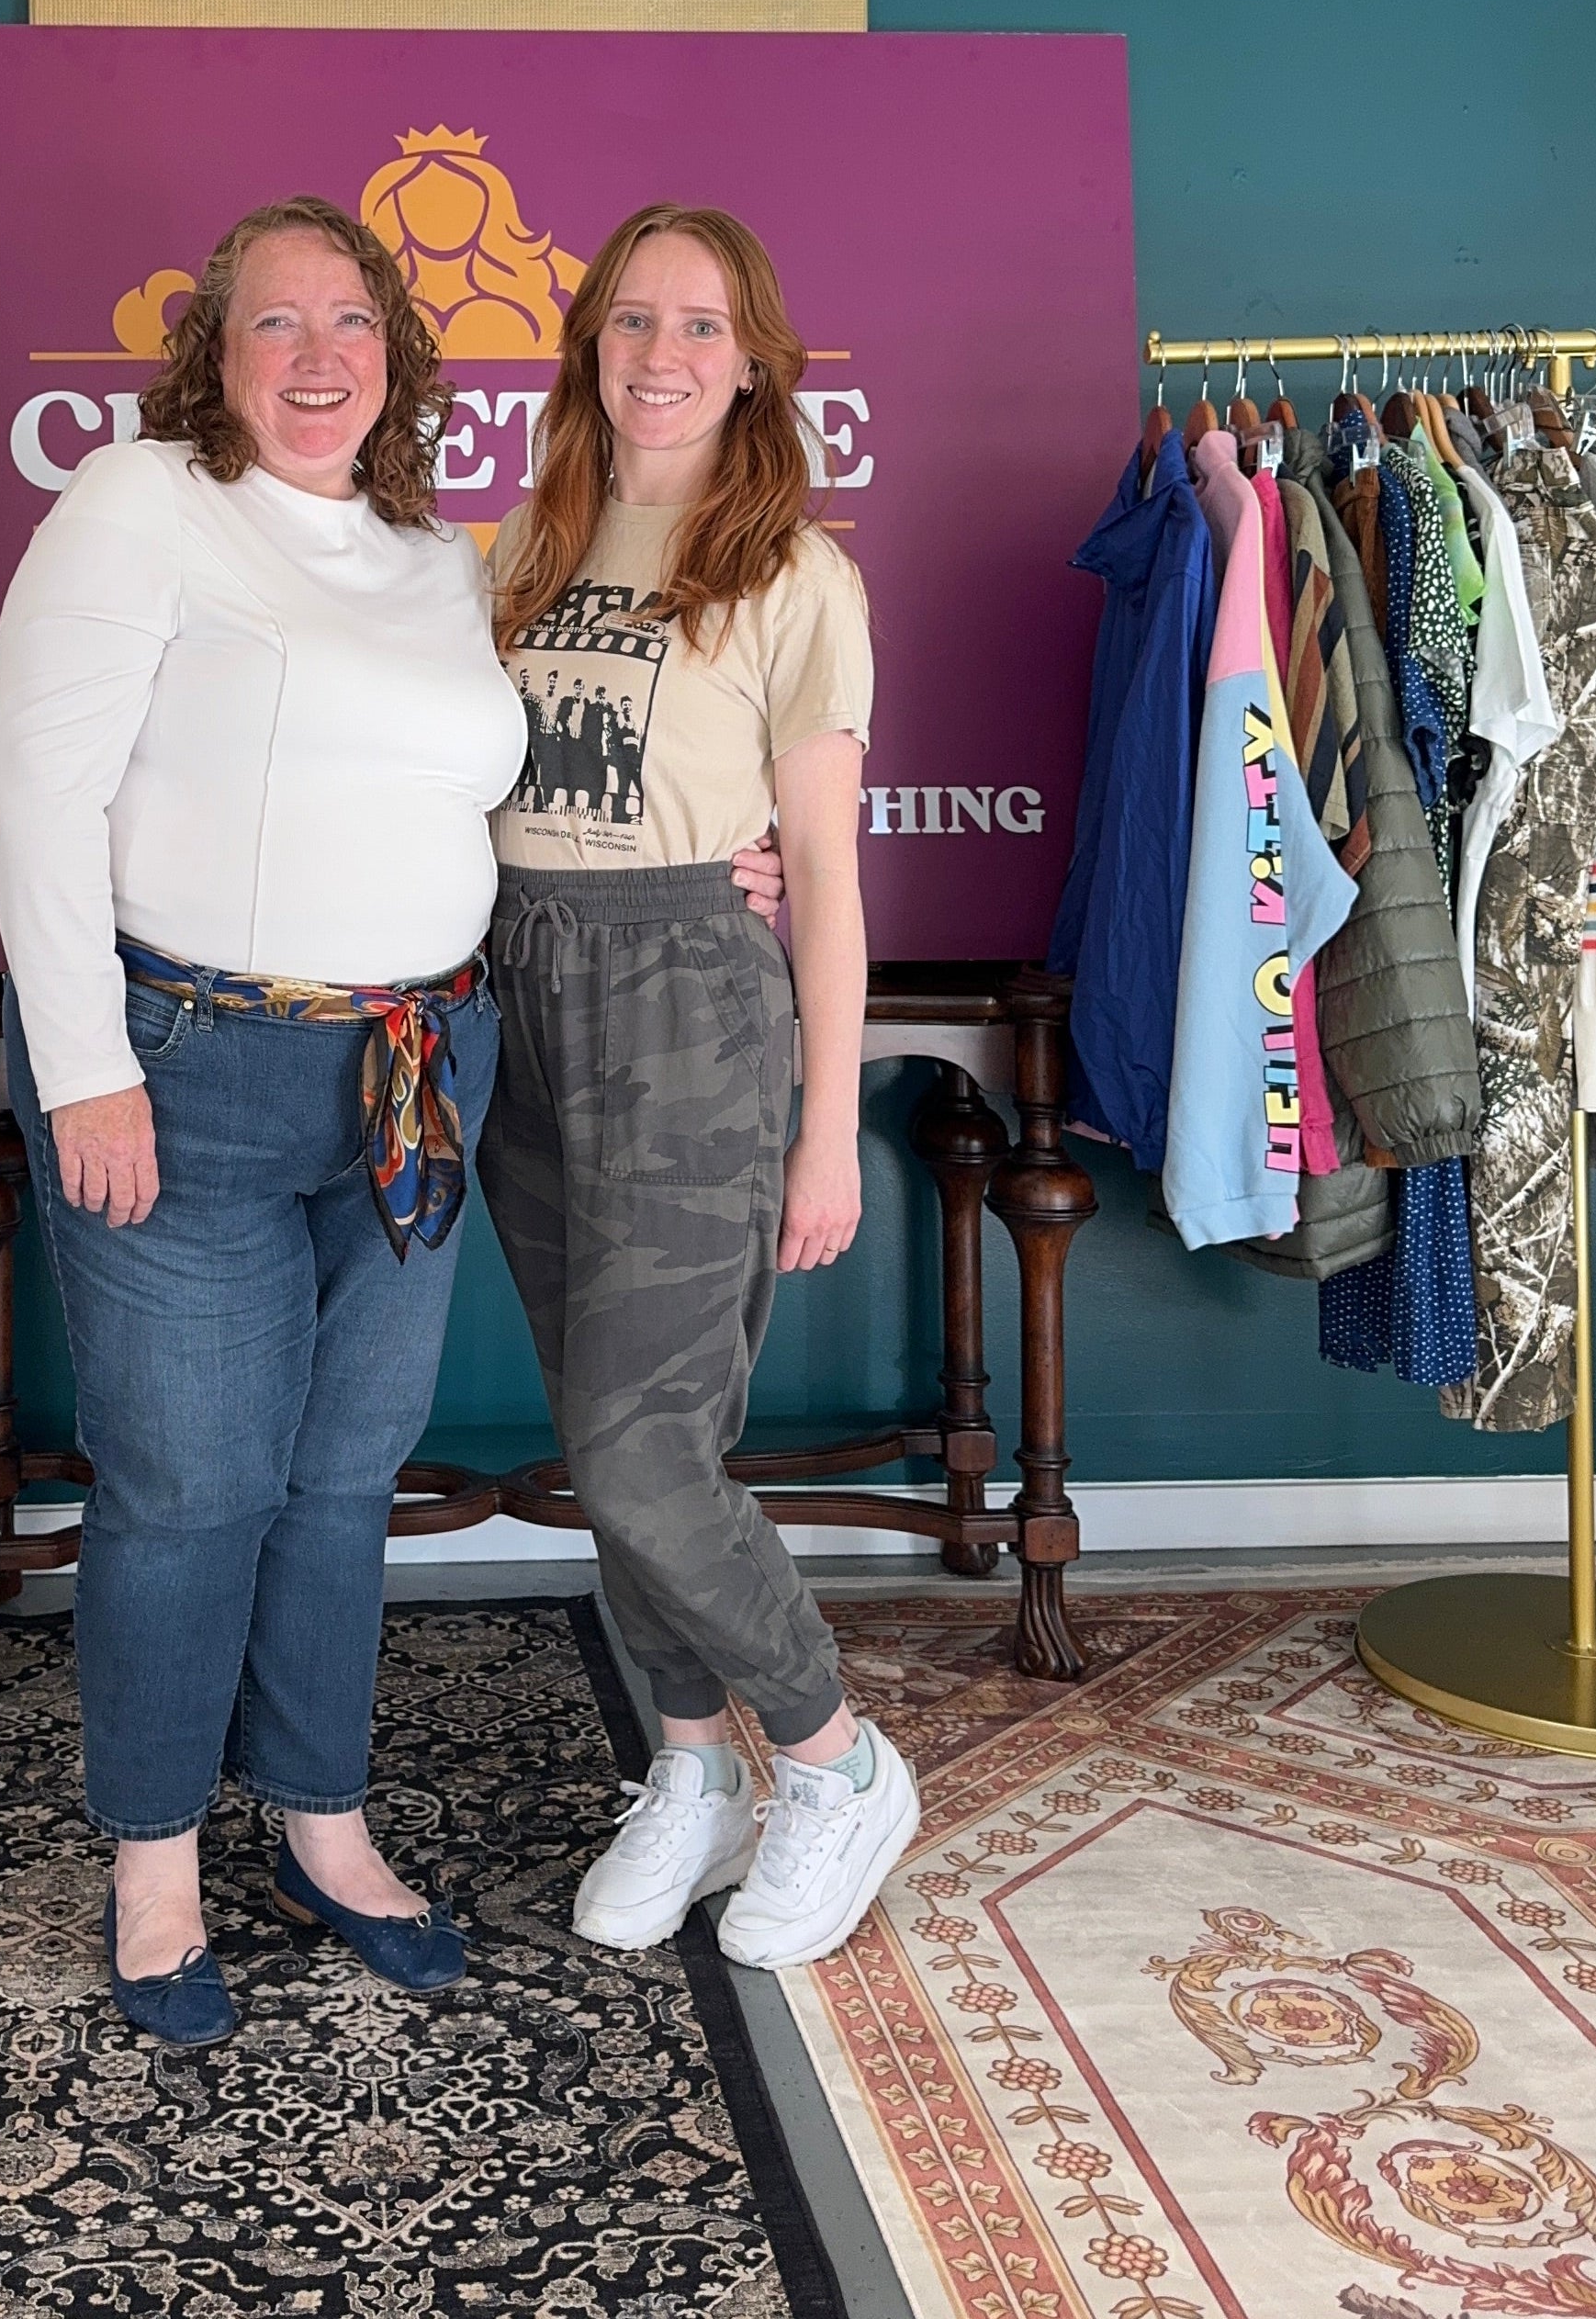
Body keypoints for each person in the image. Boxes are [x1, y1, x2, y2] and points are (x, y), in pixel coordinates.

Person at [0, 194, 788, 2044]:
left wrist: (709, 861)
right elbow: (34, 785)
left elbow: (522, 792)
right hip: (184, 1069)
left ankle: (323, 1825)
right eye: (278, 325)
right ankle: (158, 1862)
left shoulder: (444, 560)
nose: (319, 358)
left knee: (347, 1479)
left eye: (353, 325)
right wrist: (85, 1062)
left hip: (420, 1075)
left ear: (399, 361)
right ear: (217, 352)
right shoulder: (140, 507)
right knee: (192, 1486)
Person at [480, 202, 916, 1972]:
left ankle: (831, 1761)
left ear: (753, 362)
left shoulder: (794, 574)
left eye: (701, 326)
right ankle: (690, 1770)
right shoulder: (523, 537)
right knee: (609, 1439)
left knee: (640, 1447)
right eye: (633, 320)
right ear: (590, 342)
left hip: (693, 1019)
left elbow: (822, 873)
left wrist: (830, 1128)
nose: (662, 354)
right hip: (531, 1002)